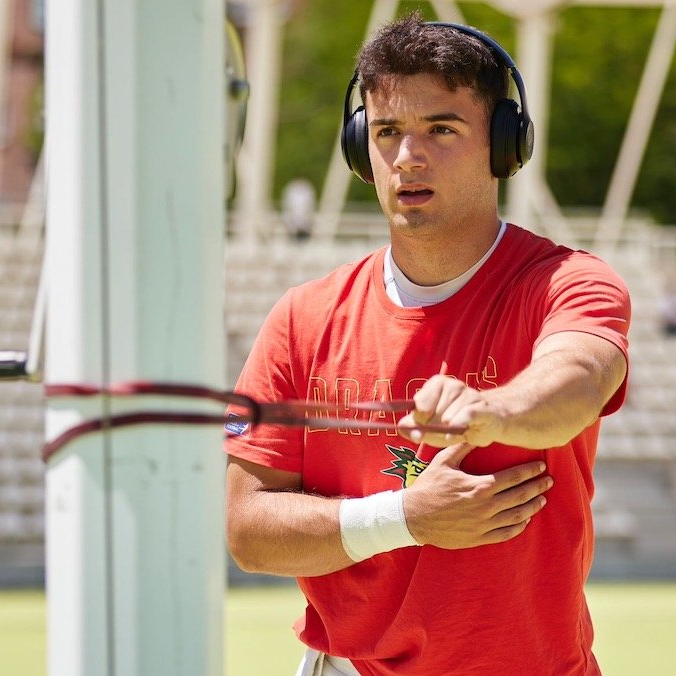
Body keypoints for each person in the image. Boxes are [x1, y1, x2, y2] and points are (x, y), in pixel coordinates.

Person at [224, 15, 630, 676]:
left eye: (441, 129)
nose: (408, 156)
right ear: (362, 150)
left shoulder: (568, 282)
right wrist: (405, 517)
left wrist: (494, 411)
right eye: (387, 132)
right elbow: (246, 530)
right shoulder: (303, 318)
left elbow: (579, 379)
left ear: (503, 145)